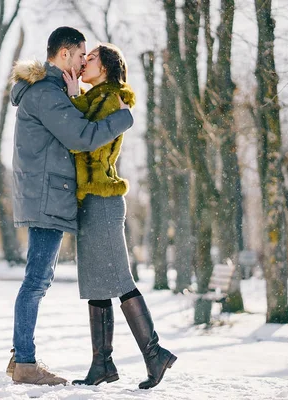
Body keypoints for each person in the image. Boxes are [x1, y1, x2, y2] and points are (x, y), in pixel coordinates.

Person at [7, 27, 134, 386]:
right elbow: (81, 137)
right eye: (81, 55)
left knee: (37, 279)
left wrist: (74, 95)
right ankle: (26, 363)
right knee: (37, 280)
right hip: (48, 196)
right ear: (64, 54)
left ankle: (20, 358)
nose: (82, 63)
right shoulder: (47, 94)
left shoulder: (51, 91)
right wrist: (123, 118)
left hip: (47, 193)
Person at [62, 43, 176, 389]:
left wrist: (71, 96)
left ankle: (154, 353)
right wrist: (74, 93)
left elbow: (84, 139)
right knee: (97, 283)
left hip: (104, 199)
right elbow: (82, 125)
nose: (84, 63)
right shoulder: (97, 96)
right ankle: (103, 364)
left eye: (91, 58)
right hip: (92, 199)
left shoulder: (112, 98)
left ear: (107, 67)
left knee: (119, 279)